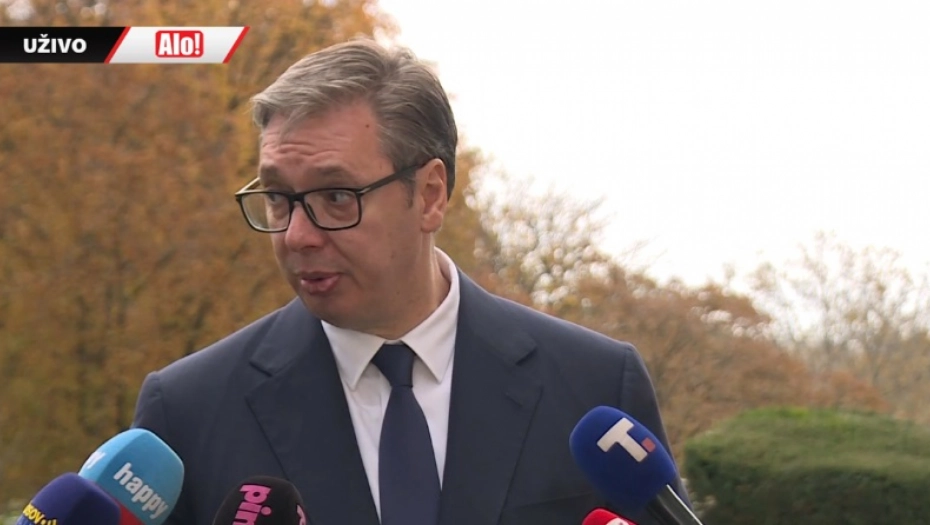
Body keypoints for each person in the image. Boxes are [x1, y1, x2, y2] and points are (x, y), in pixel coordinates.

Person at [132, 38, 688, 525]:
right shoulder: (187, 412)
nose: (297, 235)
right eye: (279, 198)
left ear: (429, 195)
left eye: (336, 196)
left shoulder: (595, 388)